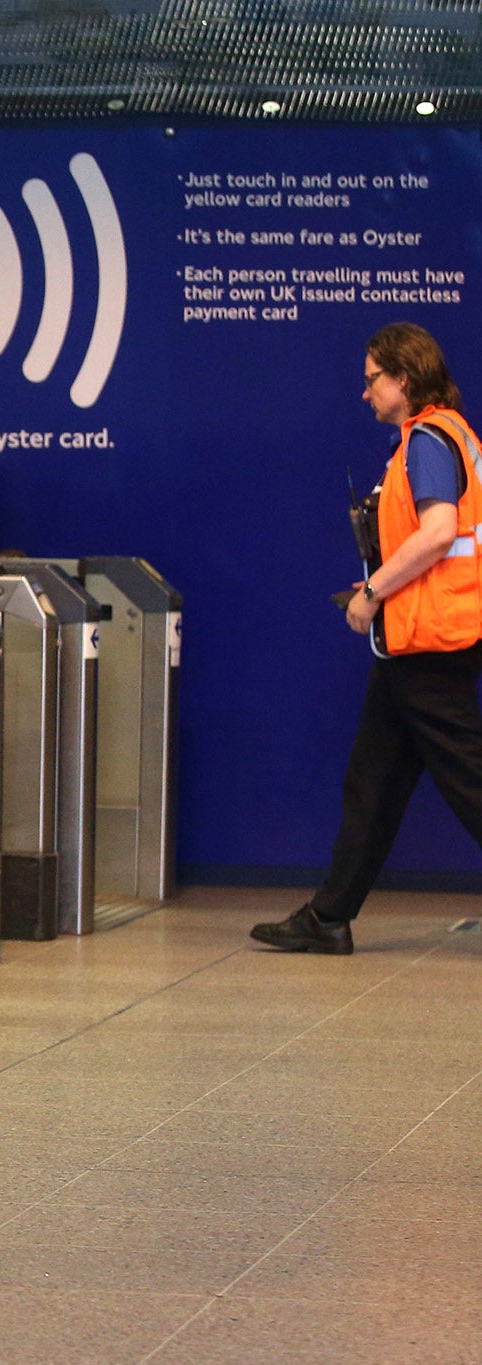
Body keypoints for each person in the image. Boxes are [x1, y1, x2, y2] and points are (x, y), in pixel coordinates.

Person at [254, 322, 482, 953]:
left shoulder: (429, 441)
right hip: (419, 641)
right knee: (373, 783)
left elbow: (438, 533)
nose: (365, 393)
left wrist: (373, 590)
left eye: (372, 380)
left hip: (430, 643)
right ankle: (329, 917)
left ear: (403, 379)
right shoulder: (445, 434)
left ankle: (327, 916)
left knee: (470, 783)